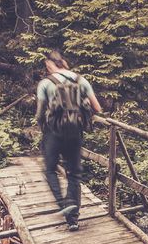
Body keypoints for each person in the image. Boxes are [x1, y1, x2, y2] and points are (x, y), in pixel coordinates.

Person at [34, 49, 102, 231]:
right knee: (74, 174)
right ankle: (73, 220)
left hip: (53, 133)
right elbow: (97, 107)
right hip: (75, 132)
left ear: (50, 65)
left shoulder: (45, 83)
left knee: (50, 170)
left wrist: (42, 126)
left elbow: (40, 113)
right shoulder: (81, 80)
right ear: (63, 62)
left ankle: (64, 204)